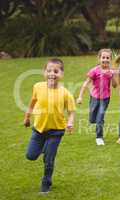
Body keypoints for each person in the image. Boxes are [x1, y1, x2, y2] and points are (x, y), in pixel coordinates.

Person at [23, 58, 76, 193]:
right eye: (49, 70)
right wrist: (27, 117)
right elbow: (32, 102)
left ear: (61, 74)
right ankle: (44, 148)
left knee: (49, 159)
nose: (52, 73)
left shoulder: (65, 93)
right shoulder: (38, 86)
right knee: (30, 155)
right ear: (44, 72)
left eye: (56, 71)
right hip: (38, 129)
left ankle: (46, 181)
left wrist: (70, 122)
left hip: (56, 131)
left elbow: (71, 112)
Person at [77, 49, 117, 145]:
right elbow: (86, 83)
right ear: (99, 58)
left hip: (105, 99)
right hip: (94, 98)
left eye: (107, 58)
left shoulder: (111, 72)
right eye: (103, 57)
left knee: (100, 118)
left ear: (110, 60)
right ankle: (95, 120)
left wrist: (113, 76)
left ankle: (99, 137)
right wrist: (80, 97)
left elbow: (115, 86)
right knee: (92, 119)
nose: (105, 59)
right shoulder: (94, 70)